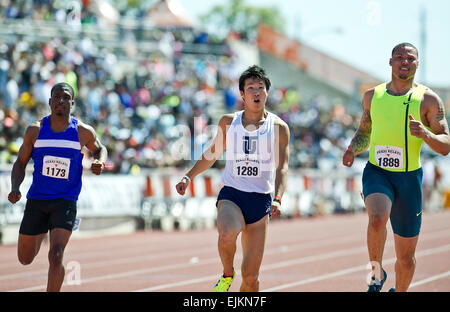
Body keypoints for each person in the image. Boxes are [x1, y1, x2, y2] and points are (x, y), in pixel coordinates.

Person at [343, 43, 450, 292]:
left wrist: (425, 134)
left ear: (416, 64)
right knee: (378, 216)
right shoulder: (372, 96)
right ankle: (376, 273)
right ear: (390, 62)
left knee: (406, 258)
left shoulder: (429, 99)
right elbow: (364, 131)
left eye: (409, 58)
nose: (404, 61)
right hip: (377, 171)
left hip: (409, 179)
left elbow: (446, 145)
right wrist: (351, 149)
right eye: (399, 57)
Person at [176, 65, 290, 292]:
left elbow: (282, 168)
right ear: (242, 94)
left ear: (267, 92)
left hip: (261, 200)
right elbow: (211, 154)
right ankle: (227, 273)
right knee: (227, 232)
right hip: (232, 194)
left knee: (251, 278)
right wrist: (189, 177)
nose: (256, 93)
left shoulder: (278, 128)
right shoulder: (229, 123)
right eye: (250, 88)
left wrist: (277, 197)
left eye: (260, 88)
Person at [8, 82, 108, 292]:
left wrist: (100, 161)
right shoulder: (35, 131)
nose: (60, 101)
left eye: (65, 97)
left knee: (56, 254)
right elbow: (20, 163)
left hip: (65, 200)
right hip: (37, 199)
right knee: (24, 258)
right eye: (57, 97)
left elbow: (101, 149)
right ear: (50, 101)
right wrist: (15, 187)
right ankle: (41, 232)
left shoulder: (82, 132)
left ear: (72, 103)